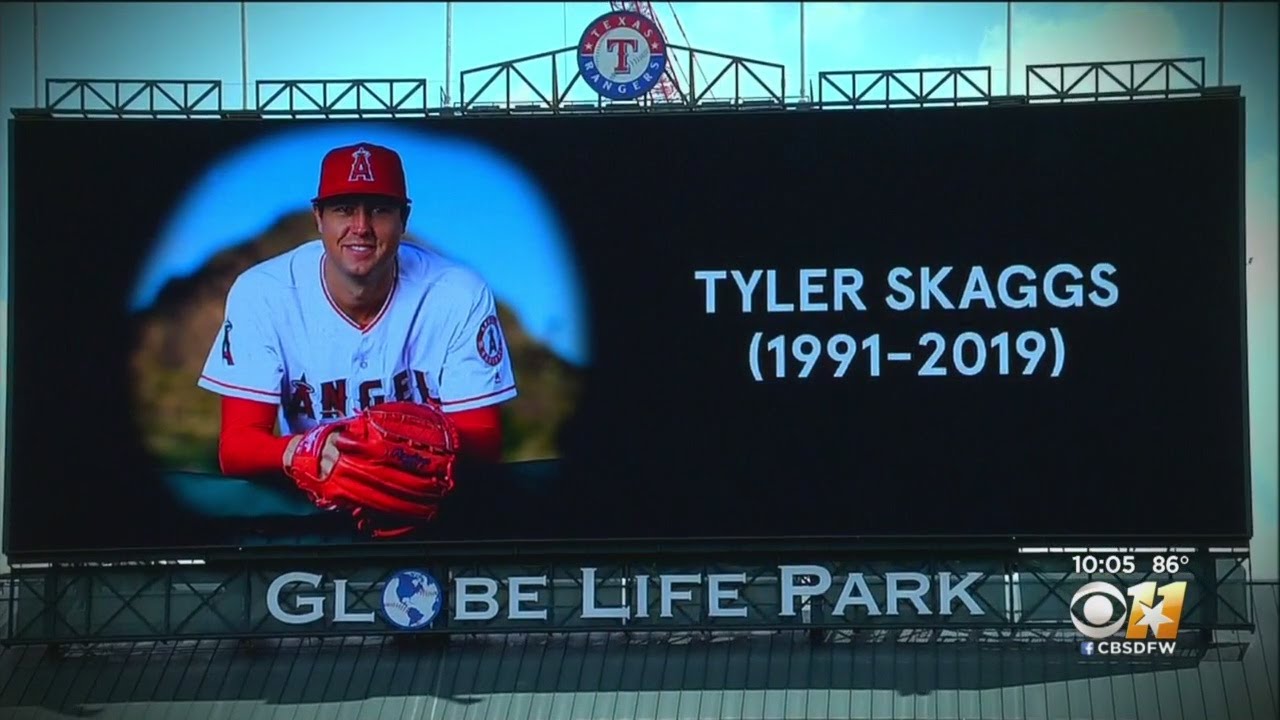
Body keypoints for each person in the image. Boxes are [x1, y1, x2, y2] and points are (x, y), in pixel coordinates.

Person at [197, 141, 517, 486]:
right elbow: (237, 447)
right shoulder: (263, 293)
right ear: (318, 218)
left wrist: (401, 455)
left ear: (403, 218)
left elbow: (483, 441)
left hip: (427, 500)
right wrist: (306, 449)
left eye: (379, 209)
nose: (361, 226)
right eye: (344, 209)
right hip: (315, 501)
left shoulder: (458, 294)